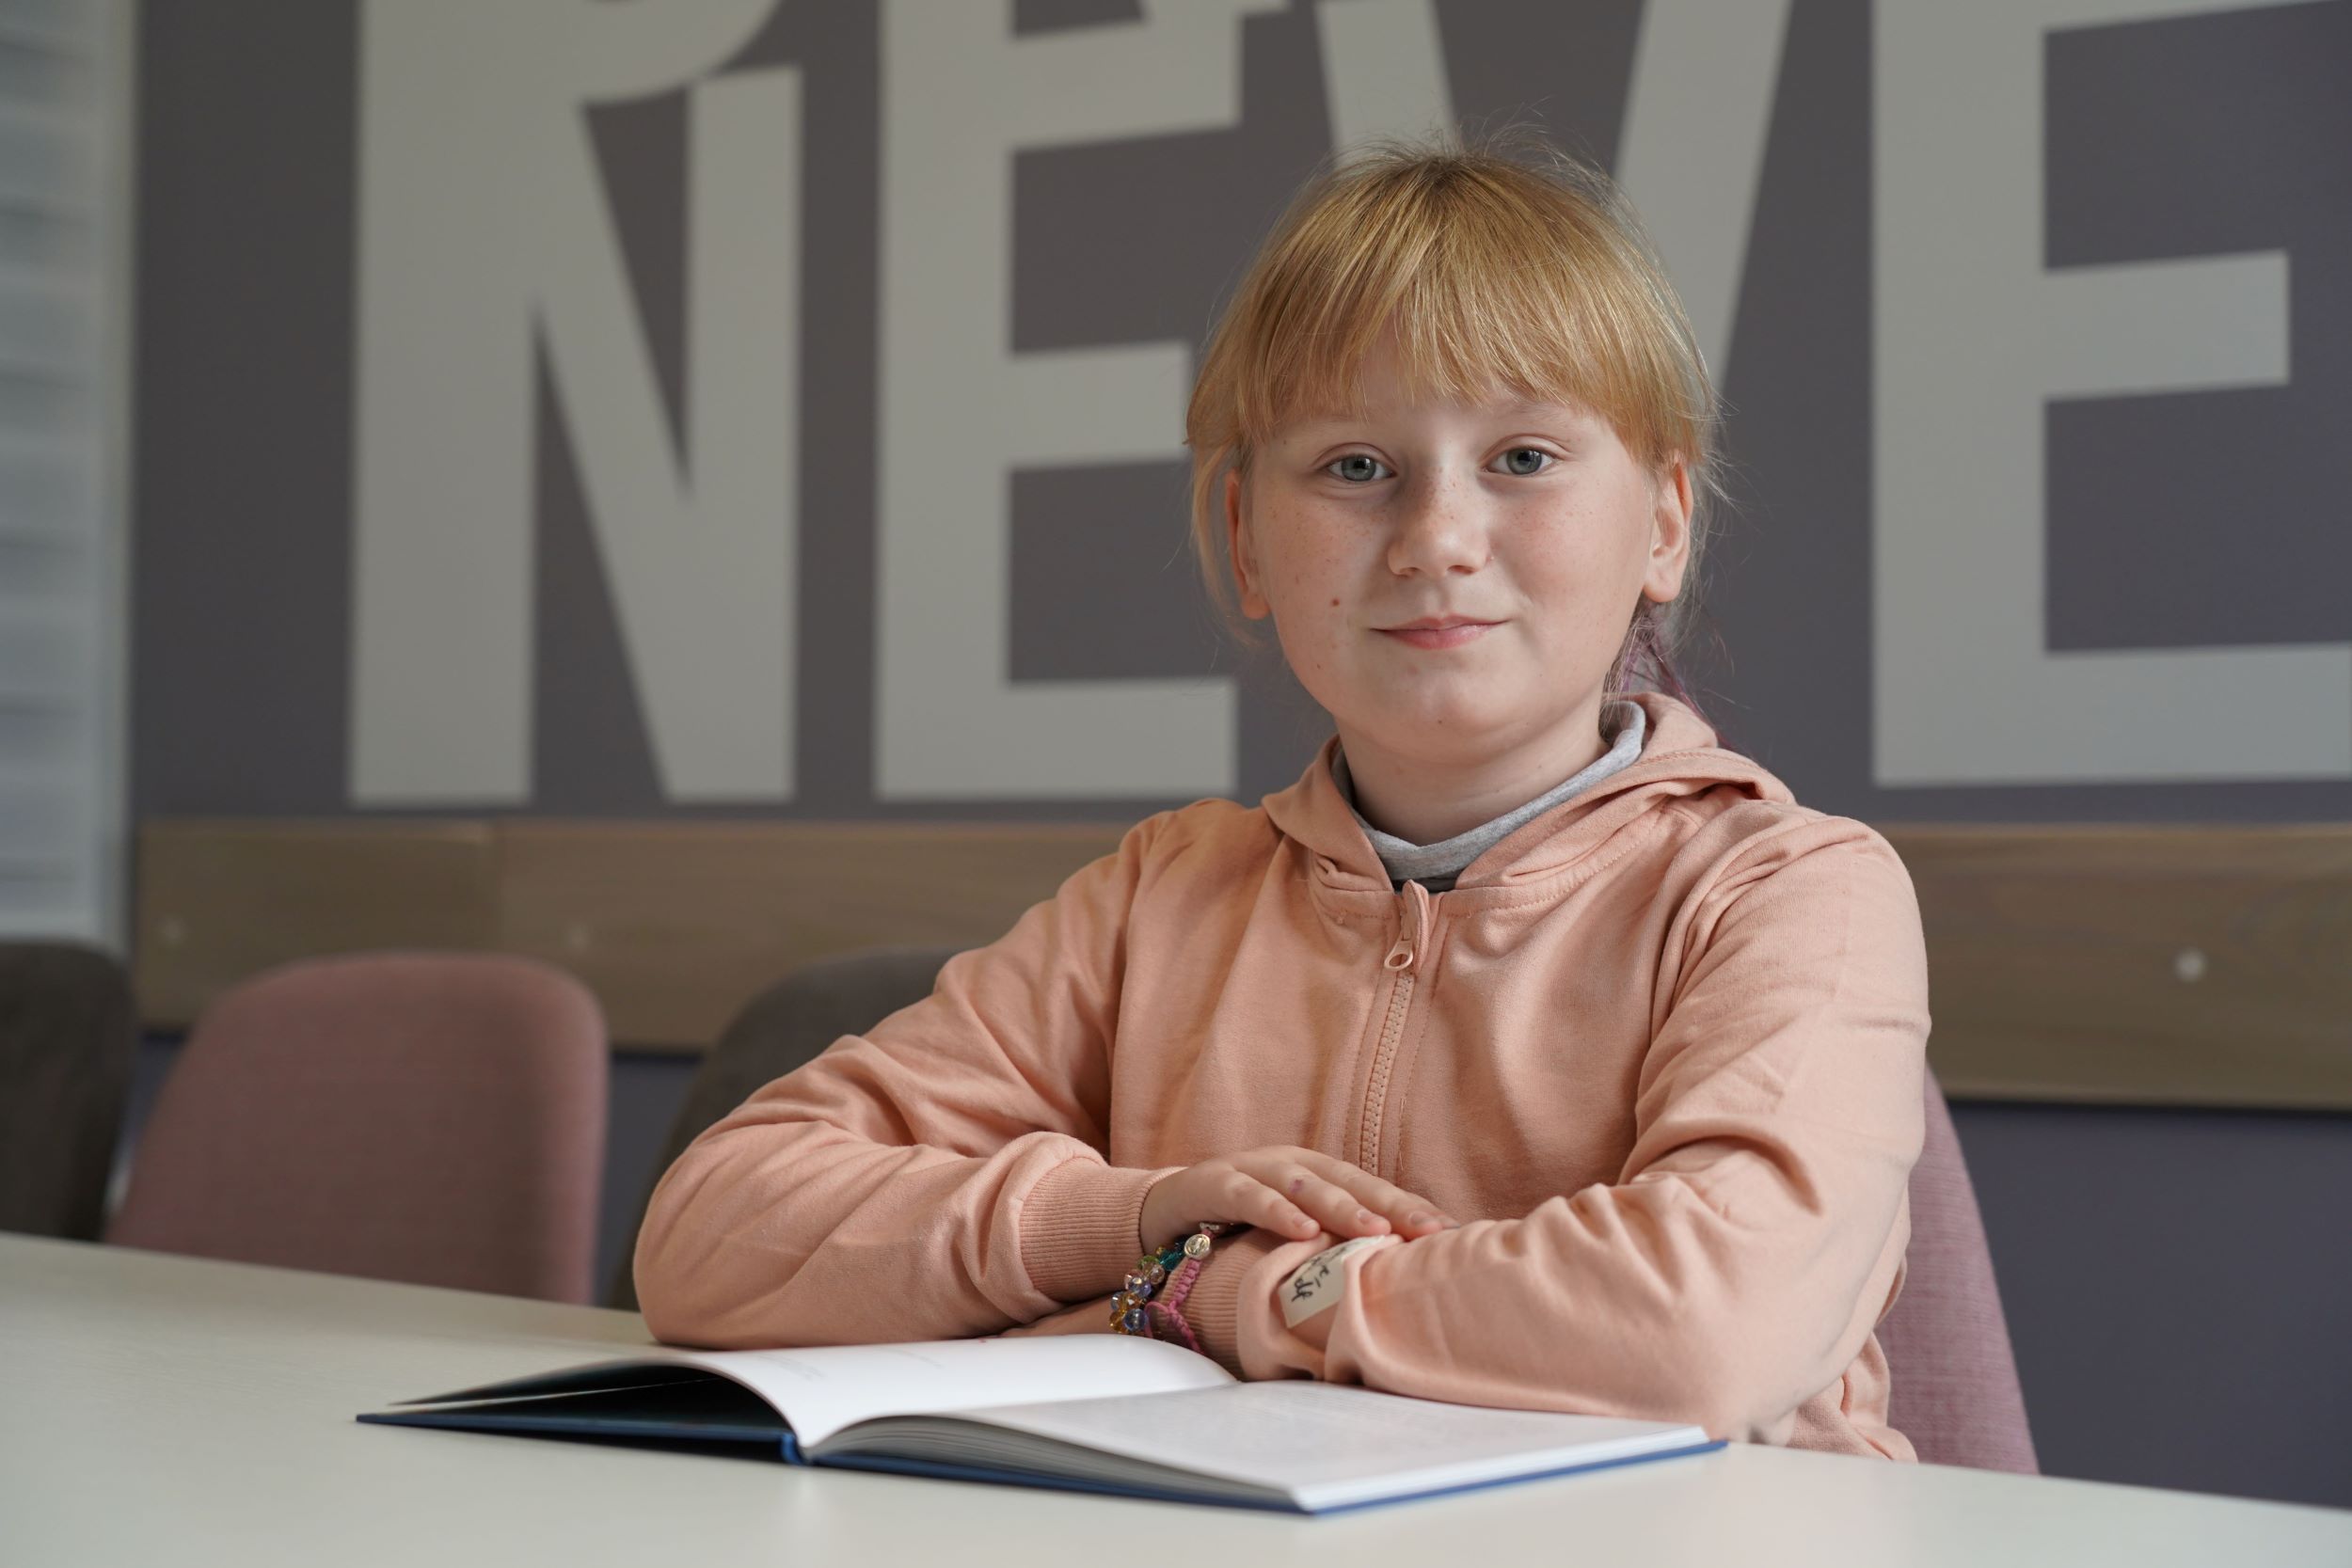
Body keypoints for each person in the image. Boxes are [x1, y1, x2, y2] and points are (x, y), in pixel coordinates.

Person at [633, 134, 1929, 1460]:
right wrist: (1128, 1222)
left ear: (1662, 523)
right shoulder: (1161, 897)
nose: (1437, 537)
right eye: (1356, 468)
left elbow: (1703, 1327)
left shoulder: (1792, 892)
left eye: (1524, 458)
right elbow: (710, 1237)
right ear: (1248, 539)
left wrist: (1220, 1296)